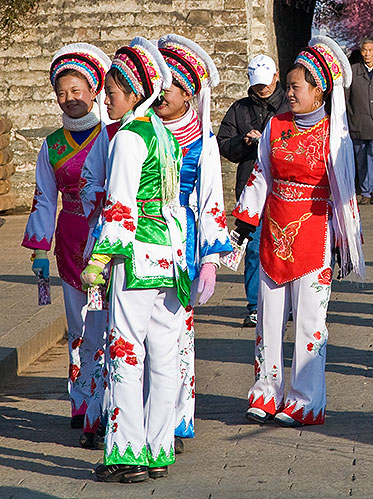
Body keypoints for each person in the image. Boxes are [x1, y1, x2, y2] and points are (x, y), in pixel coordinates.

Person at [233, 36, 365, 427]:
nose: (288, 93)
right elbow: (261, 176)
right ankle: (265, 393)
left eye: (295, 87)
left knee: (310, 322)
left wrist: (344, 240)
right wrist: (244, 223)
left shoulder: (333, 135)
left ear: (318, 90)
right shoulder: (274, 126)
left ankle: (305, 400)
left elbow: (344, 190)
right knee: (268, 319)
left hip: (314, 235)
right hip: (274, 232)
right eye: (287, 86)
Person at [80, 36, 191, 483]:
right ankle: (159, 448)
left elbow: (121, 204)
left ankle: (127, 453)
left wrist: (100, 259)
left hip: (136, 256)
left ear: (135, 92)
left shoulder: (127, 136)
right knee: (164, 354)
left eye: (112, 93)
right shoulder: (165, 133)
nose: (106, 101)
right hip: (169, 255)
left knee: (125, 349)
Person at [21, 43, 111, 429]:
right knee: (79, 326)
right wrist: (40, 249)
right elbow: (44, 197)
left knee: (109, 324)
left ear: (94, 91)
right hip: (71, 240)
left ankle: (110, 400)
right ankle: (81, 400)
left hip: (108, 240)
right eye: (62, 93)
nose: (69, 99)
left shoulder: (112, 136)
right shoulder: (52, 145)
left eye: (77, 91)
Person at [155, 34, 232, 452]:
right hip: (140, 237)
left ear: (188, 94)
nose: (162, 92)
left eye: (171, 86)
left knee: (178, 331)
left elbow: (210, 201)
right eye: (159, 83)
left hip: (182, 238)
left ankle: (177, 416)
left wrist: (210, 260)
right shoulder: (135, 131)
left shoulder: (203, 141)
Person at [217, 55, 289, 327]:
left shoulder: (289, 104)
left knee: (285, 245)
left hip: (283, 186)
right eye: (258, 85)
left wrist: (269, 140)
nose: (263, 89)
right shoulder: (240, 109)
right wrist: (244, 142)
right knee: (255, 247)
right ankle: (255, 305)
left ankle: (286, 301)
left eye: (267, 83)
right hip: (250, 187)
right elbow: (224, 144)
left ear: (277, 76)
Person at [346, 36, 373, 205]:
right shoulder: (353, 71)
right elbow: (346, 99)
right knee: (362, 159)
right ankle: (365, 191)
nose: (367, 54)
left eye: (371, 50)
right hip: (359, 122)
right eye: (365, 50)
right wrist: (350, 118)